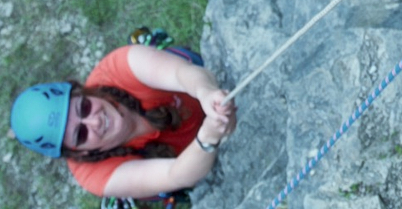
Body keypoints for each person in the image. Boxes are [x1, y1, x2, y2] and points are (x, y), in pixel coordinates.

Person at [10, 44, 237, 199]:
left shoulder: (118, 67)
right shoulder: (96, 176)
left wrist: (206, 92)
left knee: (183, 60)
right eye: (81, 134)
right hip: (197, 156)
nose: (94, 122)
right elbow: (176, 174)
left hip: (198, 100)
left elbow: (182, 73)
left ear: (84, 92)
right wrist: (208, 138)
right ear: (80, 154)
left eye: (84, 107)